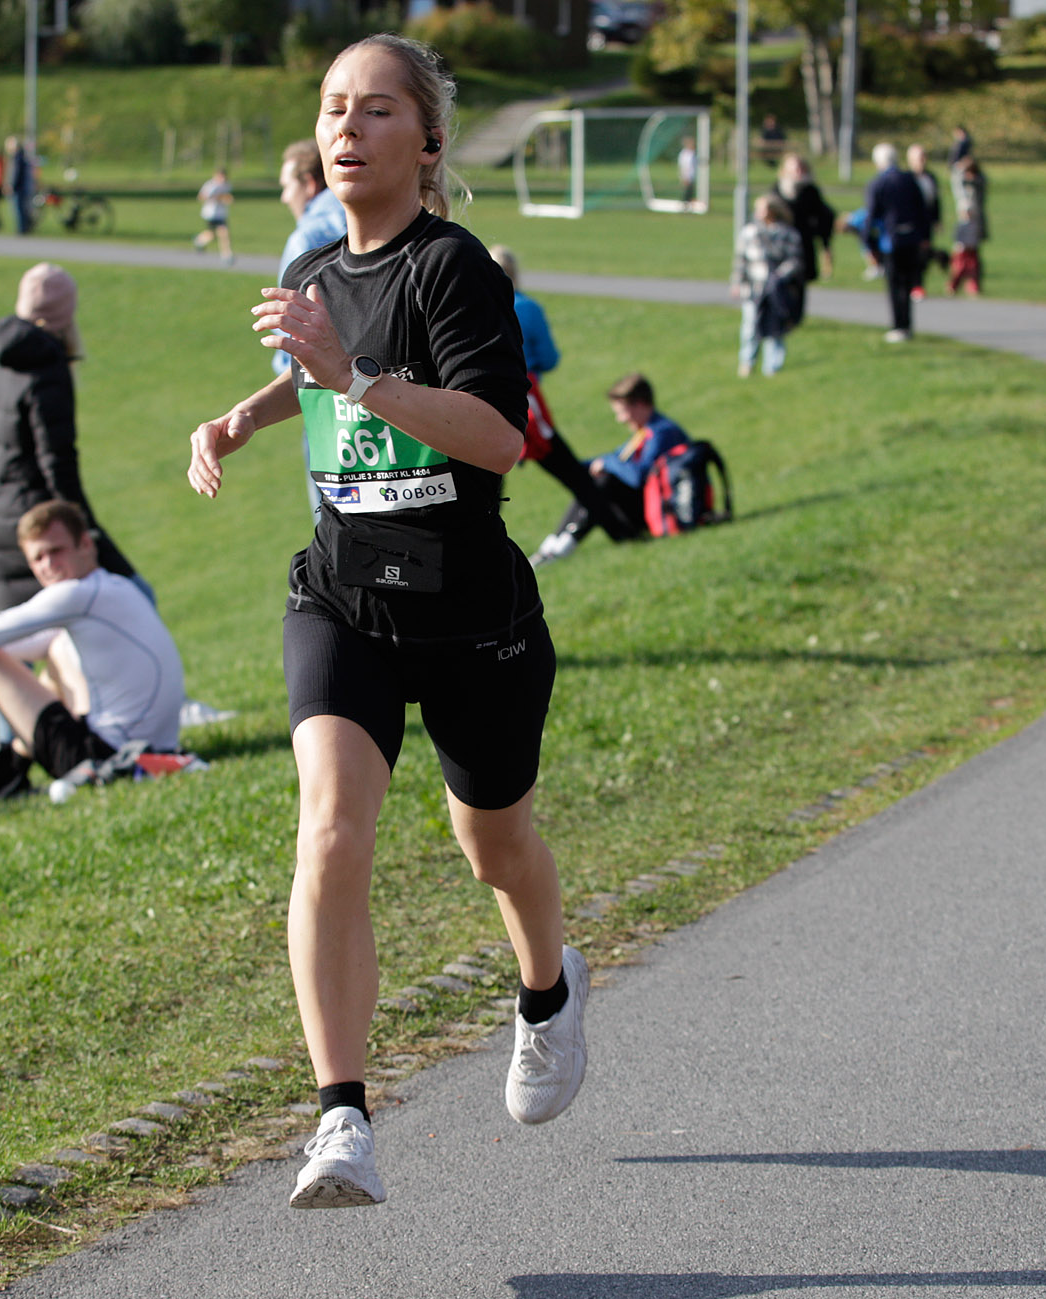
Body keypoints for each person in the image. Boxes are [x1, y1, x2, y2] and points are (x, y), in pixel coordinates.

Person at [185, 33, 589, 1211]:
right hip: (342, 599)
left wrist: (354, 380)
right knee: (328, 834)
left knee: (493, 848)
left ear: (426, 141)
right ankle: (340, 1119)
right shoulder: (314, 269)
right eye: (330, 109)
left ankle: (547, 991)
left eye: (373, 110)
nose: (345, 130)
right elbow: (311, 371)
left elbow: (497, 437)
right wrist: (242, 418)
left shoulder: (454, 270)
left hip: (468, 617)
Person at [0, 500, 184, 780]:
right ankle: (4, 769)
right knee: (49, 649)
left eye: (56, 551)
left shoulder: (77, 594)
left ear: (85, 544)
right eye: (37, 558)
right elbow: (25, 645)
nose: (48, 565)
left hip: (108, 755)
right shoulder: (112, 587)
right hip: (143, 746)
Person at [0, 262, 145, 614]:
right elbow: (57, 465)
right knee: (138, 599)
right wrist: (88, 535)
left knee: (23, 639)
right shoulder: (47, 367)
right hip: (47, 533)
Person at [489, 244, 602, 550]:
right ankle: (619, 527)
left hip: (482, 401)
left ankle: (485, 544)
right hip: (524, 400)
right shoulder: (526, 308)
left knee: (491, 478)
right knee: (570, 470)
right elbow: (549, 358)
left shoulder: (476, 306)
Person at [530, 372, 688, 563]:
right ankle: (555, 542)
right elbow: (616, 458)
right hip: (646, 508)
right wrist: (575, 469)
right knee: (587, 481)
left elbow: (637, 475)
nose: (620, 419)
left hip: (663, 512)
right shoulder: (645, 431)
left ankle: (565, 543)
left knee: (604, 480)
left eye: (622, 412)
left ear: (639, 405)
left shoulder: (662, 432)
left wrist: (606, 463)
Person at [275, 139, 351, 518]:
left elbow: (290, 340)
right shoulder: (367, 217)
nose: (284, 198)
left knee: (333, 522)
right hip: (386, 390)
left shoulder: (307, 237)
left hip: (327, 399)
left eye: (286, 186)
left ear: (308, 183)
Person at [862, 142, 928, 343]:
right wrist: (925, 237)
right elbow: (922, 210)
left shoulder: (878, 183)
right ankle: (906, 325)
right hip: (912, 238)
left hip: (890, 241)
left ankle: (899, 326)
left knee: (895, 285)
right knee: (907, 284)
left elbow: (871, 216)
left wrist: (868, 243)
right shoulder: (909, 180)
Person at [731, 195, 803, 377]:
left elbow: (795, 260)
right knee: (750, 326)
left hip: (777, 289)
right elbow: (741, 260)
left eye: (762, 208)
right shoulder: (750, 232)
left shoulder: (787, 233)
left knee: (775, 327)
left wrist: (779, 276)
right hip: (754, 288)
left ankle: (773, 367)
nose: (758, 212)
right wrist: (737, 282)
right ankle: (747, 362)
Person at [772, 153, 836, 286]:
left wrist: (825, 243)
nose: (798, 172)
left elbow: (824, 216)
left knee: (801, 283)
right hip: (781, 243)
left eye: (801, 168)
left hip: (803, 243)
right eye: (795, 169)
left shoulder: (810, 191)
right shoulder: (777, 190)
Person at [947, 153, 988, 297]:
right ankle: (954, 284)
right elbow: (956, 178)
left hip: (975, 221)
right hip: (964, 220)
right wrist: (960, 168)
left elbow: (983, 181)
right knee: (961, 253)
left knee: (973, 254)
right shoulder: (961, 184)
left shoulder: (978, 183)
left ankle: (973, 284)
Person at [905, 142, 942, 301]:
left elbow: (936, 200)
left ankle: (919, 285)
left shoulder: (930, 177)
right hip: (911, 221)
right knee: (911, 254)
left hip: (925, 221)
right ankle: (911, 283)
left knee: (924, 254)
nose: (923, 160)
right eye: (919, 157)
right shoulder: (906, 178)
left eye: (924, 157)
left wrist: (937, 220)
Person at [193, 167, 234, 264]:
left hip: (221, 214)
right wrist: (216, 198)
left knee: (220, 233)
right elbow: (200, 197)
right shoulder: (210, 185)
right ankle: (199, 241)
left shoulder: (227, 185)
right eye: (220, 177)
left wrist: (228, 199)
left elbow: (228, 197)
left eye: (224, 177)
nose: (222, 179)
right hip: (211, 214)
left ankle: (226, 255)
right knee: (215, 234)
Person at [8, 135, 37, 235]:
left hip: (19, 188)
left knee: (19, 209)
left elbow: (16, 174)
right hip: (24, 188)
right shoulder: (22, 157)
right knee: (23, 209)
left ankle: (22, 229)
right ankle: (25, 228)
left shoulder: (17, 158)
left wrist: (12, 185)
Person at [677, 134, 700, 205]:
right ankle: (684, 204)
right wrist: (684, 176)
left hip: (692, 175)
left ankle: (688, 203)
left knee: (690, 191)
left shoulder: (693, 153)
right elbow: (683, 166)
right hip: (687, 176)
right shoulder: (685, 154)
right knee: (686, 191)